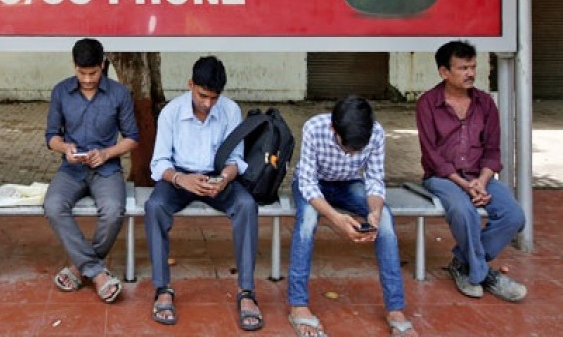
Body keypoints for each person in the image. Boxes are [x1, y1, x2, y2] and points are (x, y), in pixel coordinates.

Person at [145, 56, 263, 331]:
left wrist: (223, 179)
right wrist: (180, 178)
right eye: (202, 95)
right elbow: (159, 162)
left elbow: (236, 159)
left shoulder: (230, 110)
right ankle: (163, 288)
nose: (208, 103)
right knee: (154, 208)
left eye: (214, 97)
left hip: (217, 178)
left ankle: (247, 292)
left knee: (246, 205)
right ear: (190, 85)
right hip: (179, 178)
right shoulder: (171, 112)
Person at [287, 95, 417, 337]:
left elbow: (375, 180)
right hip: (313, 184)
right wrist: (337, 219)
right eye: (346, 147)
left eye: (356, 150)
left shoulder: (375, 133)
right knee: (306, 222)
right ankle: (298, 305)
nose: (350, 154)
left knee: (386, 220)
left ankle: (395, 309)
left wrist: (375, 212)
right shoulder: (314, 128)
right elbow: (307, 183)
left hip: (348, 183)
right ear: (333, 129)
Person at [416, 40, 526, 302]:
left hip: (480, 175)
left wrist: (481, 180)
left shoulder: (485, 103)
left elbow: (492, 151)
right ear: (444, 72)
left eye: (473, 67)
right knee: (465, 212)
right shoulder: (428, 104)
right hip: (442, 177)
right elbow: (431, 155)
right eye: (463, 68)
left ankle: (462, 264)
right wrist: (464, 185)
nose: (470, 73)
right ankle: (482, 274)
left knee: (514, 216)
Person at [43, 38, 139, 303]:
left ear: (103, 65)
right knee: (52, 205)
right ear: (74, 66)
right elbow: (51, 136)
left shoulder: (119, 94)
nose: (87, 79)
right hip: (71, 169)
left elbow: (132, 138)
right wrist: (65, 148)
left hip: (106, 169)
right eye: (81, 72)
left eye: (93, 73)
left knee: (113, 210)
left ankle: (80, 267)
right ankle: (97, 273)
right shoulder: (61, 92)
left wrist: (107, 153)